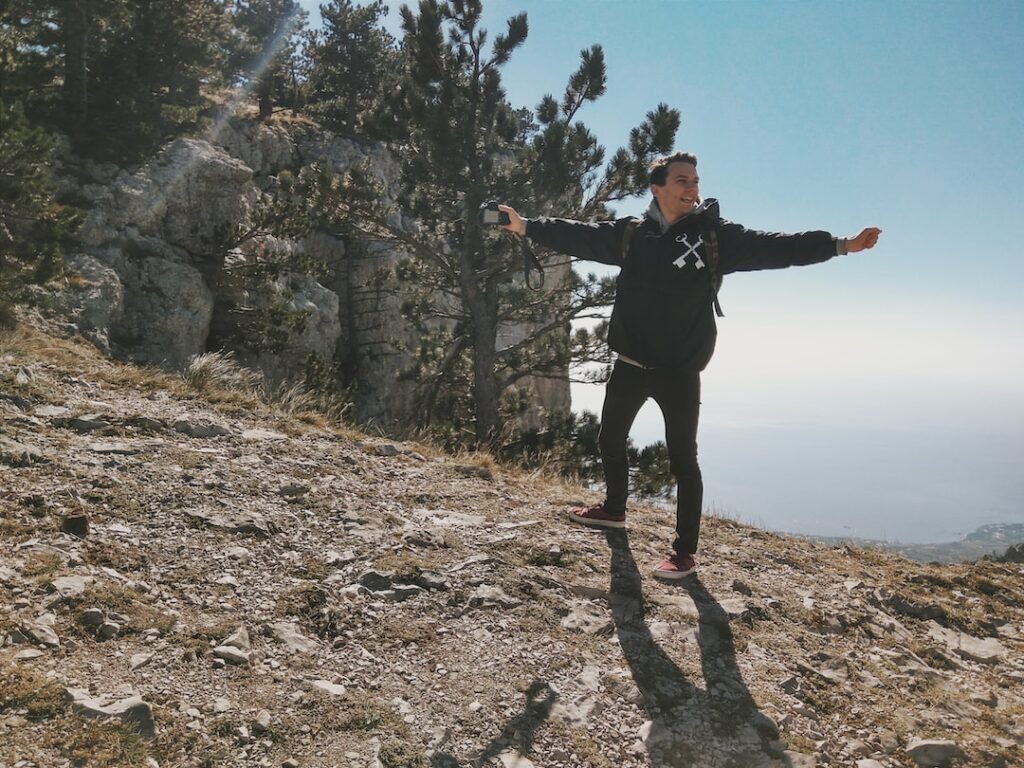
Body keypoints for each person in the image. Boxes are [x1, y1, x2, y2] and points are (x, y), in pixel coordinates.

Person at [497, 151, 881, 580]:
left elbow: (778, 246)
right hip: (629, 361)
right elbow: (581, 236)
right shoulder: (632, 235)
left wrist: (841, 245)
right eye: (682, 181)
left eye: (695, 181)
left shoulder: (716, 237)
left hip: (679, 370)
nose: (692, 188)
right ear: (657, 188)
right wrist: (526, 225)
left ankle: (684, 552)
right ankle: (614, 510)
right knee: (610, 439)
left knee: (683, 461)